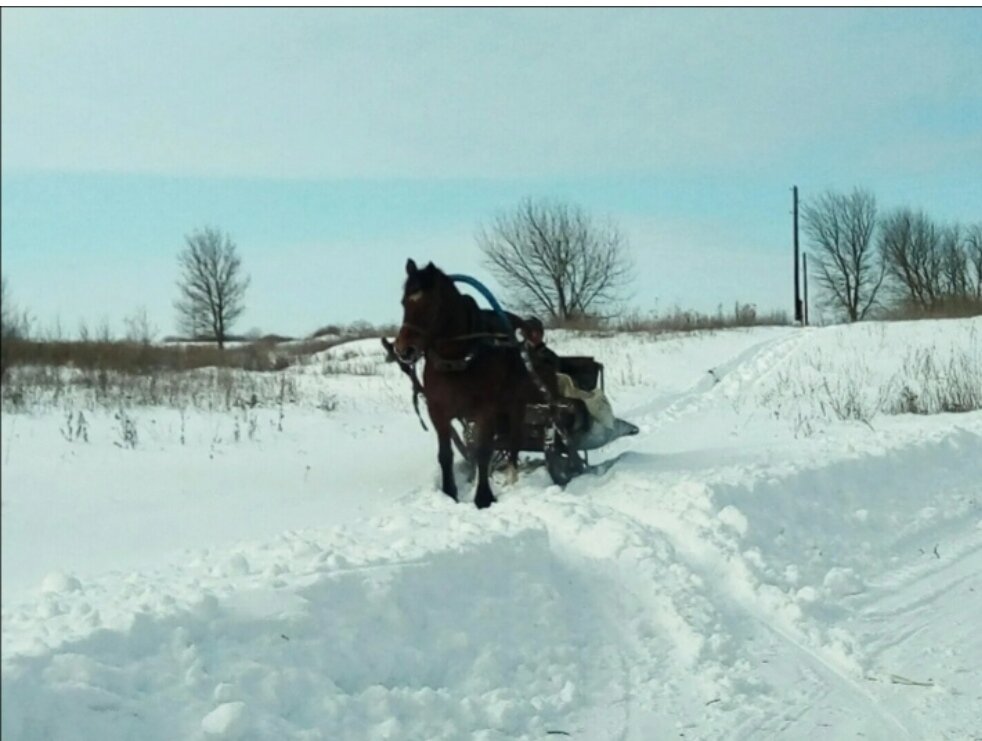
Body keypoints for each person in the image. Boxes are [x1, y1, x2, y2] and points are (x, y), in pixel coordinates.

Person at [520, 317, 618, 432]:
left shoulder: (547, 354)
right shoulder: (521, 353)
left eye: (537, 332)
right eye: (531, 332)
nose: (534, 335)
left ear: (541, 334)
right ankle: (605, 425)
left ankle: (605, 426)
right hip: (537, 392)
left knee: (595, 396)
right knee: (592, 396)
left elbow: (558, 369)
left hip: (553, 389)